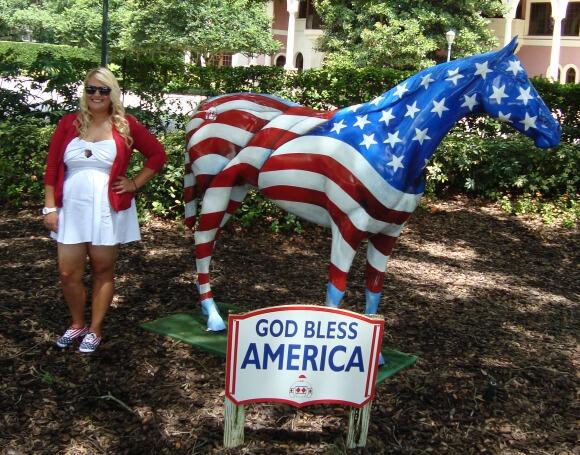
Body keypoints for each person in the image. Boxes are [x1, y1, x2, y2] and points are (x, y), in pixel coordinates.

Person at [43, 67, 167, 353]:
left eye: (103, 90)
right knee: (67, 272)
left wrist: (134, 183)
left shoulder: (126, 124)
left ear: (113, 93)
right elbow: (51, 168)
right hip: (71, 207)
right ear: (84, 92)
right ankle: (77, 324)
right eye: (91, 89)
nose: (96, 95)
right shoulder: (68, 123)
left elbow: (157, 155)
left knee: (102, 269)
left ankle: (95, 329)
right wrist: (49, 207)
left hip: (106, 208)